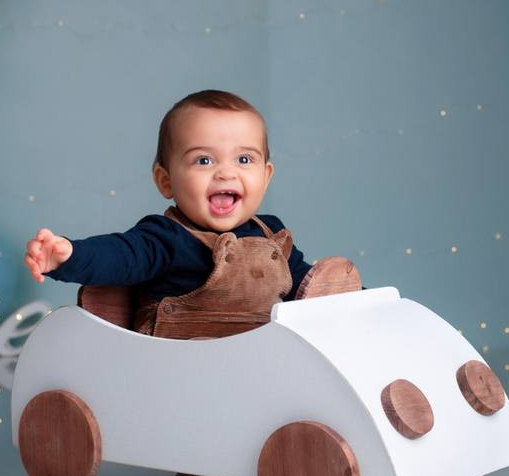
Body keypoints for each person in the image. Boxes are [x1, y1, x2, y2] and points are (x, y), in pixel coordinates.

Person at [24, 90, 354, 339]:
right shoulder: (165, 237)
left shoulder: (272, 235)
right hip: (177, 371)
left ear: (266, 177)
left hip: (259, 368)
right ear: (166, 181)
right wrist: (69, 255)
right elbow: (119, 255)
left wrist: (361, 303)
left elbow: (303, 287)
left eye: (243, 160)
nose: (226, 173)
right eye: (204, 160)